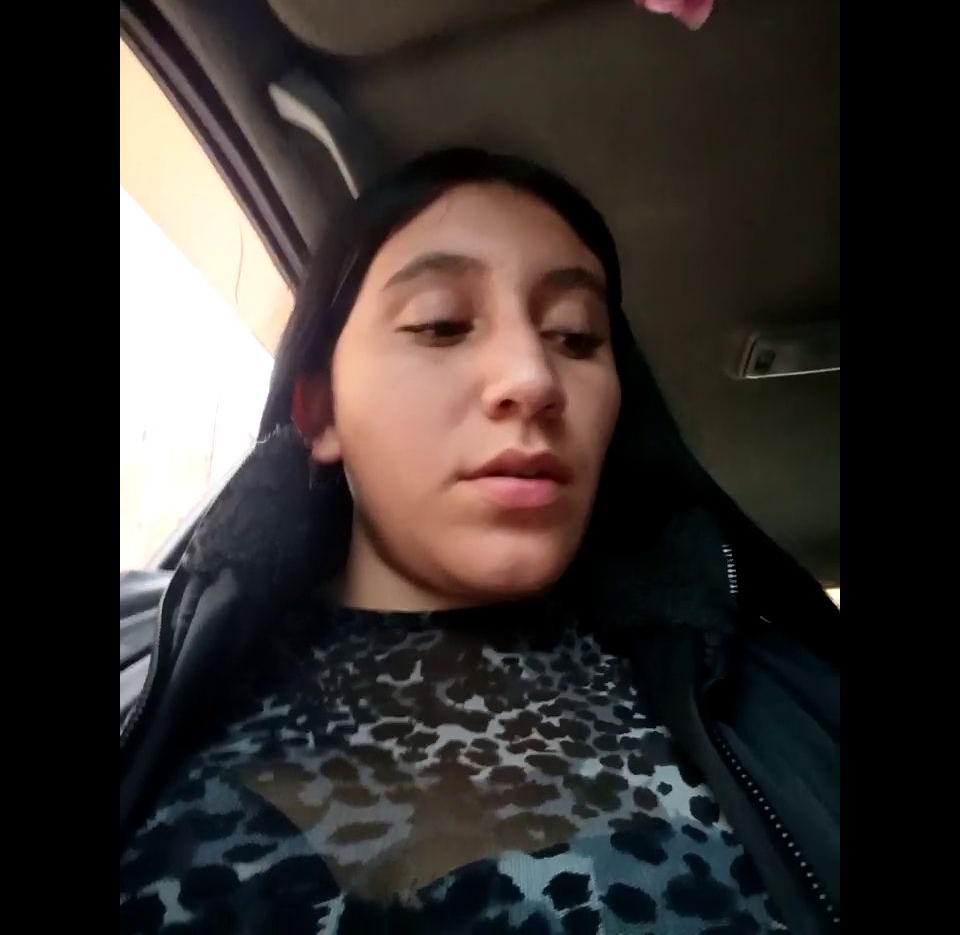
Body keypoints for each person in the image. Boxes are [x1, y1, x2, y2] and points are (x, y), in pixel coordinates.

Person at [120, 148, 839, 935]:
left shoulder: (784, 694)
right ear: (319, 412)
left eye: (575, 336)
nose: (533, 378)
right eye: (441, 324)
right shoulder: (139, 662)